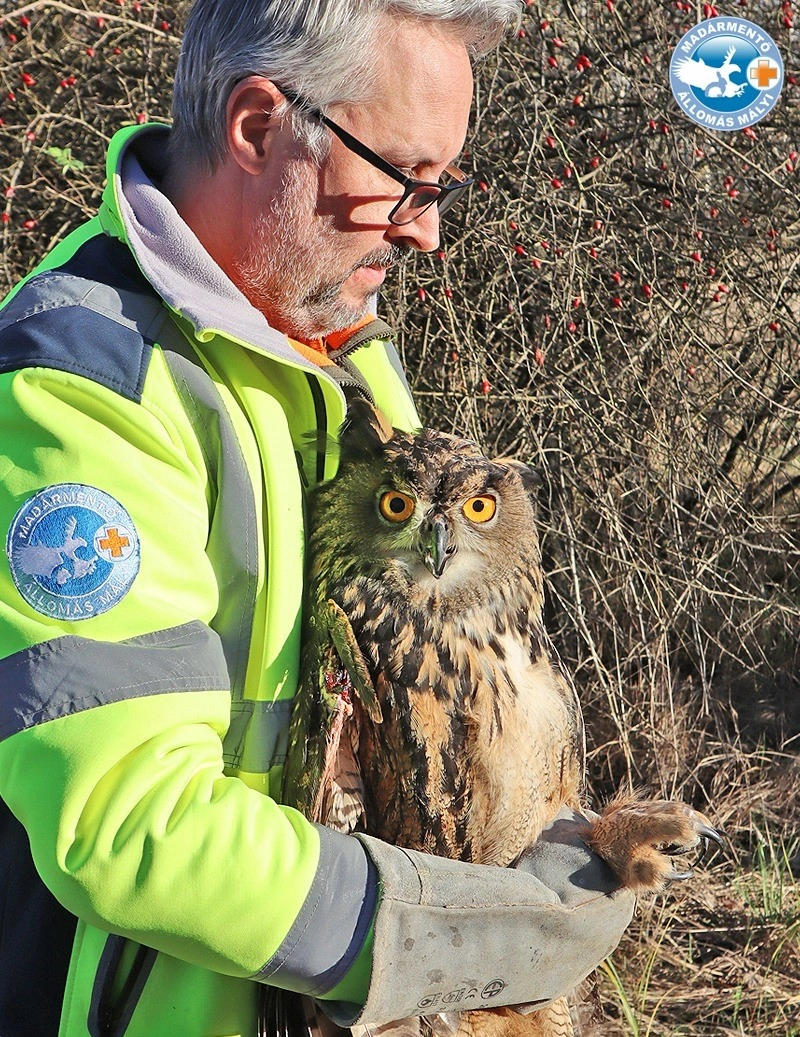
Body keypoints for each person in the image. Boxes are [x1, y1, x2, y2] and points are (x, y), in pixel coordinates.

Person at [0, 2, 636, 1035]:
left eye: (442, 186)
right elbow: (127, 823)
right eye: (402, 174)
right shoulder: (84, 383)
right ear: (258, 126)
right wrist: (459, 934)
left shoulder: (338, 338)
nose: (426, 226)